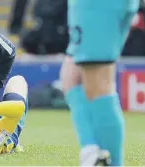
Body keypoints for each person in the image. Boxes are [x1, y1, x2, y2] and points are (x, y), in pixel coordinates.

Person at [60, 0, 140, 166]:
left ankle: (111, 162)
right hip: (90, 7)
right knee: (71, 77)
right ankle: (92, 151)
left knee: (98, 84)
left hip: (98, 5)